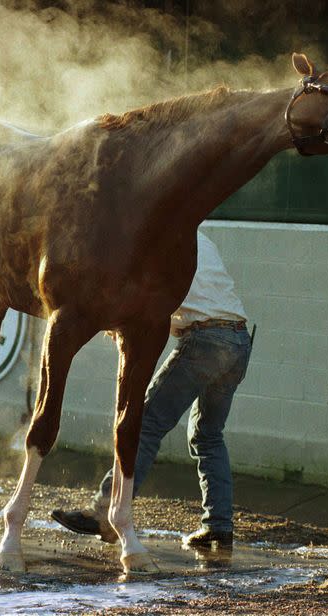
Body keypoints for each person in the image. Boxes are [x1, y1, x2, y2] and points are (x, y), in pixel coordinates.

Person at [51, 230, 252, 549]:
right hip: (239, 340)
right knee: (208, 435)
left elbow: (139, 298)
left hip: (204, 339)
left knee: (143, 423)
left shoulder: (158, 239)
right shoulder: (198, 236)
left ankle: (104, 511)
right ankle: (219, 525)